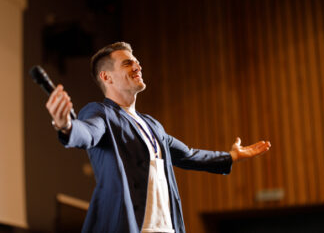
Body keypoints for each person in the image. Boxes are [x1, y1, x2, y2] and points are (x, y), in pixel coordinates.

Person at [46, 42, 271, 233]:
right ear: (107, 77)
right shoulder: (100, 113)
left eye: (137, 62)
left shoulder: (152, 125)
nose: (137, 66)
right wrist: (65, 125)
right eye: (127, 63)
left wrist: (230, 156)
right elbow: (86, 132)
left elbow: (189, 155)